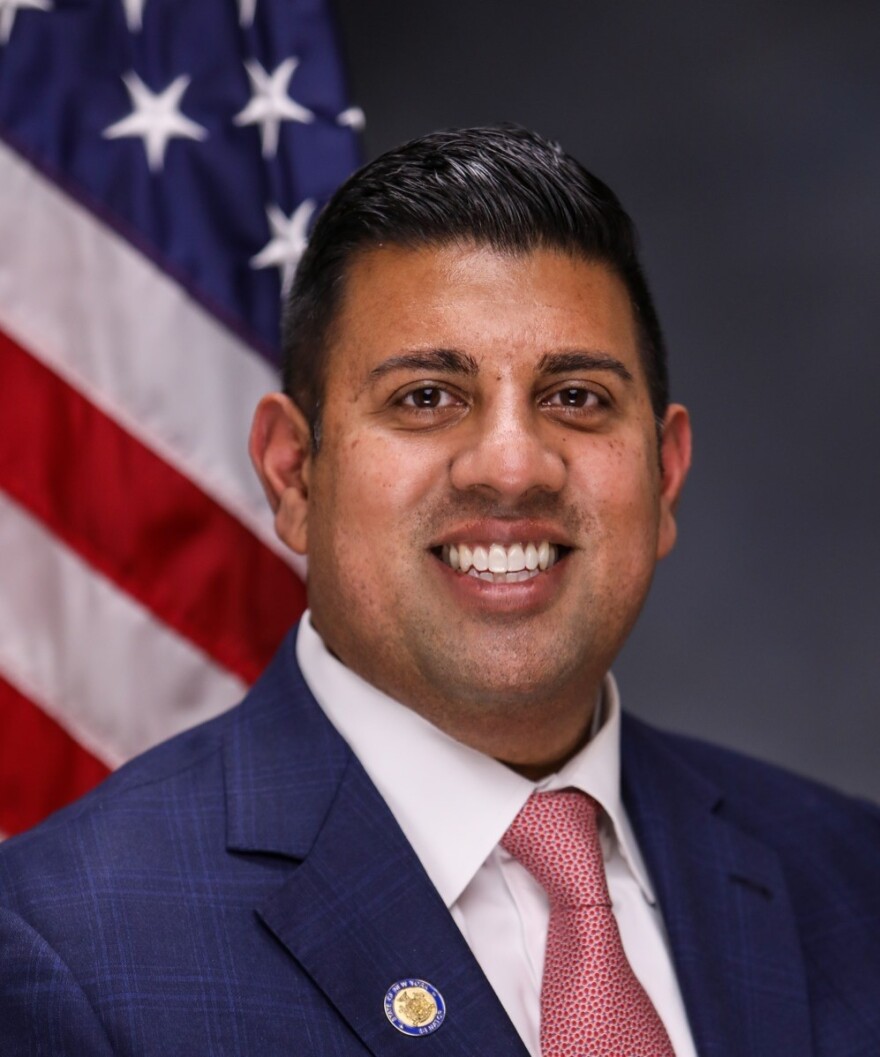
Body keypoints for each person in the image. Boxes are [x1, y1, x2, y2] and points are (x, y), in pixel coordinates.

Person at [1, 126, 878, 1057]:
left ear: (664, 476)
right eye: (426, 396)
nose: (512, 466)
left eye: (576, 396)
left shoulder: (854, 879)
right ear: (295, 474)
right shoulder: (68, 949)